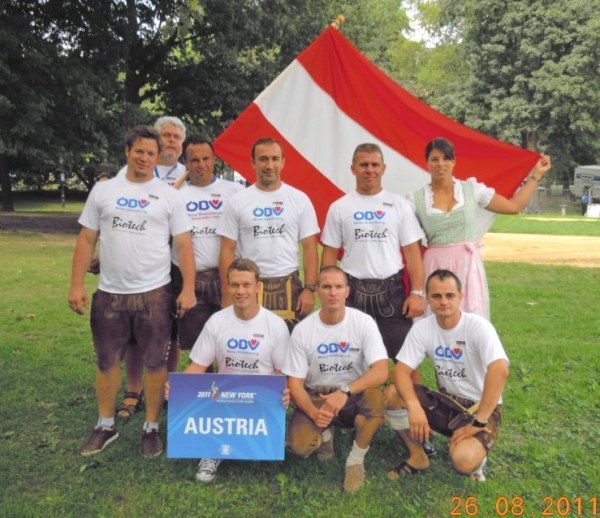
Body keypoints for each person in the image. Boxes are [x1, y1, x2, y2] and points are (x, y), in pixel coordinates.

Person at [68, 125, 196, 458]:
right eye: (139, 151)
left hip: (155, 294)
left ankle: (151, 428)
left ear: (158, 157)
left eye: (151, 153)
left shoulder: (169, 195)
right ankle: (105, 425)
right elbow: (87, 238)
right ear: (127, 151)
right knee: (107, 361)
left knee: (155, 362)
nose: (144, 158)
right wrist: (77, 283)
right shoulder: (103, 191)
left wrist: (189, 288)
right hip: (109, 294)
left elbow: (184, 244)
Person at [165, 258, 290, 482]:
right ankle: (212, 452)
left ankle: (265, 437)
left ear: (258, 287)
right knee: (207, 398)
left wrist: (283, 394)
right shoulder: (217, 321)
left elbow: (282, 372)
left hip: (260, 398)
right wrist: (178, 387)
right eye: (235, 285)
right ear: (228, 287)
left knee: (266, 444)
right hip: (224, 397)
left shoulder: (276, 325)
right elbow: (198, 365)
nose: (240, 291)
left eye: (246, 285)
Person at [384, 269, 509, 482]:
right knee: (392, 394)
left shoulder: (478, 327)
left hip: (480, 408)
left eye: (450, 295)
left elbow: (500, 370)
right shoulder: (422, 328)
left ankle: (476, 456)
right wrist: (414, 406)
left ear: (461, 297)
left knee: (463, 461)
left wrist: (479, 423)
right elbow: (401, 372)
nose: (443, 302)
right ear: (428, 299)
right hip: (446, 402)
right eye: (436, 296)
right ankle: (418, 456)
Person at [410, 137, 551, 319]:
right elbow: (410, 247)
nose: (441, 164)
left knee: (471, 320)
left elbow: (513, 207)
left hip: (467, 265)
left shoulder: (472, 189)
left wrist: (536, 175)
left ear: (454, 161)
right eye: (435, 159)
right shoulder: (415, 200)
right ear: (427, 162)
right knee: (436, 321)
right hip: (434, 266)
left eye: (446, 158)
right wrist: (417, 291)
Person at [283, 266, 389, 494]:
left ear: (347, 291)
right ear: (317, 291)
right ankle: (325, 432)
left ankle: (355, 461)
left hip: (352, 396)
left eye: (338, 287)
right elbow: (295, 384)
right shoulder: (303, 330)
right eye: (326, 287)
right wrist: (314, 413)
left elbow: (381, 371)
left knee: (375, 399)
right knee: (299, 447)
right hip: (317, 396)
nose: (333, 292)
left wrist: (345, 392)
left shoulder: (363, 322)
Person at [321, 143, 426, 360]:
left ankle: (407, 385)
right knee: (350, 357)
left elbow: (412, 252)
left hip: (392, 290)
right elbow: (330, 252)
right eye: (364, 165)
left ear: (383, 168)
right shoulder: (340, 207)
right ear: (353, 168)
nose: (370, 170)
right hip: (352, 290)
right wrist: (328, 289)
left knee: (406, 358)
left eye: (375, 165)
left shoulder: (399, 205)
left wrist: (417, 293)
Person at [116, 116, 187, 418]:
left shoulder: (190, 174)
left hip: (175, 264)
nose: (171, 140)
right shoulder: (132, 173)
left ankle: (167, 386)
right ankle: (134, 388)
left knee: (171, 331)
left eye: (176, 137)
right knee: (135, 331)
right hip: (139, 262)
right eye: (165, 135)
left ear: (182, 144)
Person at [217, 137, 319, 330]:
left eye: (275, 159)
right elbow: (227, 250)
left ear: (283, 162)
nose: (269, 165)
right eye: (263, 159)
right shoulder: (237, 202)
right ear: (253, 163)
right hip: (249, 285)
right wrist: (227, 293)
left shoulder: (299, 199)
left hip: (289, 285)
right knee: (251, 342)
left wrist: (309, 289)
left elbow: (310, 247)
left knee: (289, 344)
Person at [168, 135, 244, 372]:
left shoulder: (235, 191)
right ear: (185, 162)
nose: (201, 165)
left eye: (206, 159)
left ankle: (232, 387)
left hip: (229, 278)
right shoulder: (174, 196)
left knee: (234, 341)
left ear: (214, 159)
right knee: (199, 346)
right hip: (191, 280)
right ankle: (203, 389)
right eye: (194, 160)